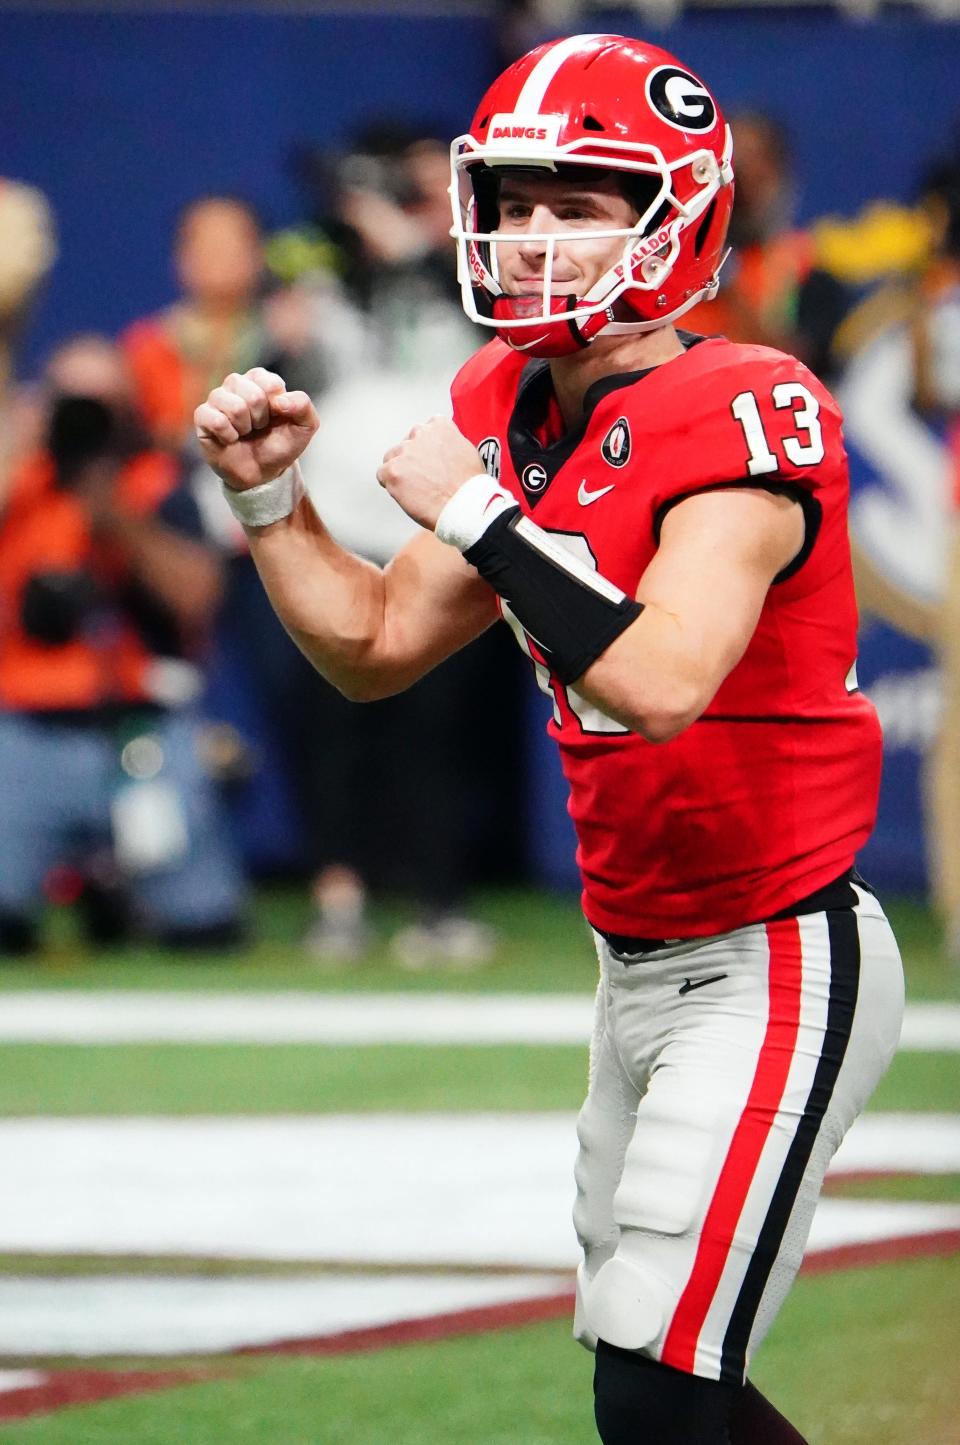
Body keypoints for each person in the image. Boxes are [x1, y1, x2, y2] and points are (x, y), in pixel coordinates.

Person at [195, 34, 904, 1445]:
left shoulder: (747, 405)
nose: (529, 235)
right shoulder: (506, 403)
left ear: (676, 214)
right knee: (656, 1391)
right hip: (631, 962)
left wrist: (480, 515)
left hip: (773, 957)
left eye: (578, 202)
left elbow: (665, 677)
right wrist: (277, 509)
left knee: (654, 1385)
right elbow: (379, 647)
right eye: (513, 200)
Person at [0, 335, 245, 954]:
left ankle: (117, 890)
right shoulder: (17, 480)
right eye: (68, 402)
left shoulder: (155, 483)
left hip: (141, 736)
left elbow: (199, 599)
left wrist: (114, 517)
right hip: (22, 736)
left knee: (204, 930)